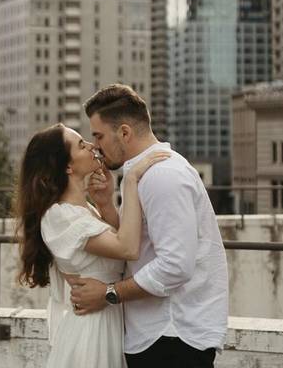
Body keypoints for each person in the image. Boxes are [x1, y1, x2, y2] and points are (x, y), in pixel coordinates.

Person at [68, 84, 229, 368]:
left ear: (125, 132)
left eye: (99, 136)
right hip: (158, 336)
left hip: (172, 338)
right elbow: (141, 246)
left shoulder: (162, 176)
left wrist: (108, 293)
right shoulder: (142, 174)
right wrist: (106, 205)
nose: (96, 147)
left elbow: (175, 265)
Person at [15, 122, 169, 368]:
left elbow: (120, 248)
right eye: (81, 145)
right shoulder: (60, 216)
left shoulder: (84, 210)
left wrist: (106, 203)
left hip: (108, 321)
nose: (92, 146)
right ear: (67, 166)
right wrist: (130, 182)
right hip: (91, 330)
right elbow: (128, 248)